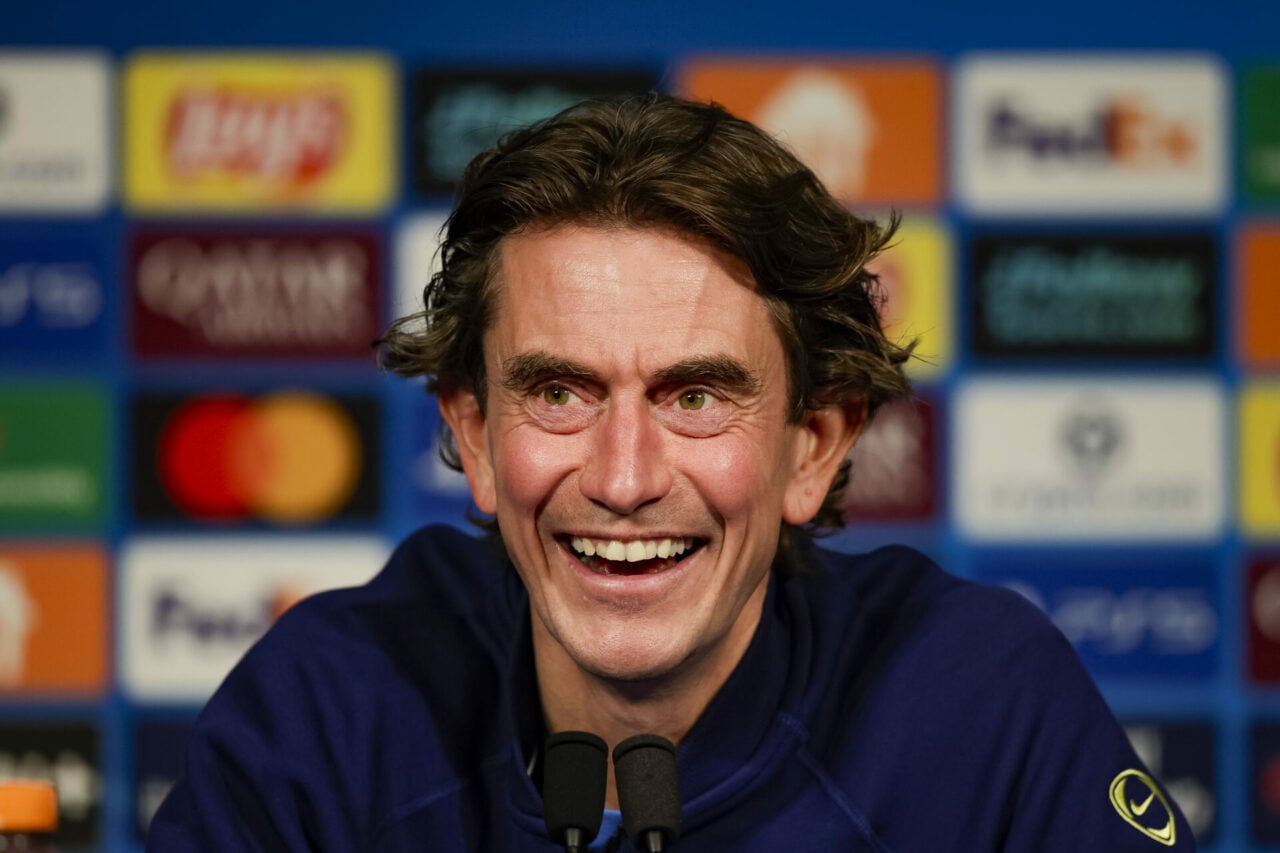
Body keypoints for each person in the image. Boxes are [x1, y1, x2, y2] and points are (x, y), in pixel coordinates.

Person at [148, 93, 1194, 851]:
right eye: (560, 392)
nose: (623, 477)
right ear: (474, 433)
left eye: (694, 397)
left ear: (813, 444)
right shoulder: (327, 713)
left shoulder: (978, 706)